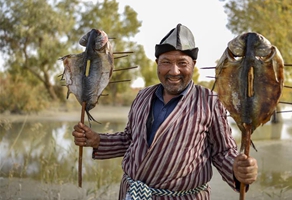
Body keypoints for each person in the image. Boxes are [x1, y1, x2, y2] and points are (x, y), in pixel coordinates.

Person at [72, 23, 258, 200]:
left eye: (182, 63)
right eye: (166, 62)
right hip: (133, 194)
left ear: (193, 64)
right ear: (157, 64)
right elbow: (130, 139)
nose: (174, 71)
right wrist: (98, 141)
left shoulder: (209, 101)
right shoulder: (143, 96)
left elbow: (222, 151)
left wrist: (236, 168)